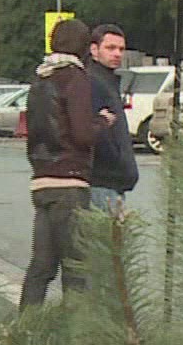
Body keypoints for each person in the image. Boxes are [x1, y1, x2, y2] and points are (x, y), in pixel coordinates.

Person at [20, 17, 101, 306]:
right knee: (76, 269)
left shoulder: (40, 79)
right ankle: (75, 330)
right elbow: (82, 134)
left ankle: (26, 326)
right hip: (70, 179)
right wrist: (101, 123)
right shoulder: (74, 78)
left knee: (41, 267)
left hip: (41, 181)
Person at [86, 24, 140, 212]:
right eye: (110, 48)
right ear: (94, 50)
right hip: (102, 181)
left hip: (112, 183)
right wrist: (115, 160)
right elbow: (93, 131)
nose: (117, 54)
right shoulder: (93, 81)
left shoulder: (108, 82)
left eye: (121, 49)